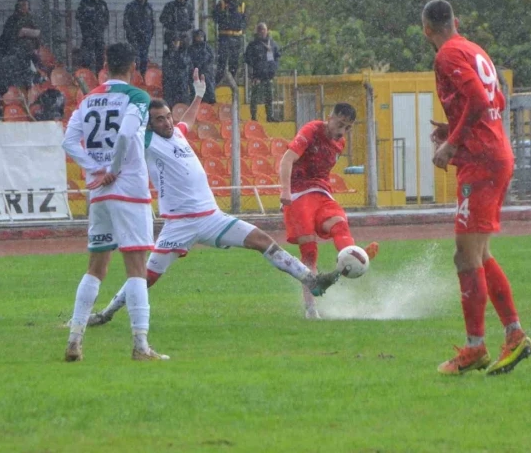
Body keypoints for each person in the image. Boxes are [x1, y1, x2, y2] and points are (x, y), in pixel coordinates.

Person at [86, 72, 341, 327]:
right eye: (159, 120)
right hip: (180, 223)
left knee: (262, 240)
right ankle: (106, 313)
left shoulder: (177, 133)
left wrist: (198, 95)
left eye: (167, 116)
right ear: (149, 125)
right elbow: (124, 134)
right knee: (146, 276)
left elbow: (187, 120)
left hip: (211, 217)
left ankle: (312, 281)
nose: (167, 122)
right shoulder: (147, 140)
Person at [422, 0, 531, 376]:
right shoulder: (473, 48)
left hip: (481, 161)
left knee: (465, 257)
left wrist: (452, 144)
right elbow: (495, 101)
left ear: (426, 29)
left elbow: (479, 98)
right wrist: (451, 130)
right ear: (456, 21)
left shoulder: (447, 54)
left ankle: (475, 349)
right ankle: (514, 335)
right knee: (480, 255)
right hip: (495, 153)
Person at [61, 42, 167, 362]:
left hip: (99, 194)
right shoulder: (137, 97)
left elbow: (68, 141)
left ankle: (75, 339)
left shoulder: (89, 98)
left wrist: (95, 169)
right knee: (136, 268)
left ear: (104, 67)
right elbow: (124, 135)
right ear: (134, 68)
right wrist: (114, 170)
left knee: (96, 269)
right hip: (128, 190)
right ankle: (140, 345)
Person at [279, 103, 379, 319]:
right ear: (329, 117)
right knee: (309, 252)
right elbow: (287, 159)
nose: (342, 131)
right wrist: (285, 191)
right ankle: (311, 308)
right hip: (298, 194)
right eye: (340, 124)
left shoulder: (339, 144)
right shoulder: (312, 130)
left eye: (348, 128)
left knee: (340, 224)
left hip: (322, 193)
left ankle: (353, 257)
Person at [245, 22, 280, 122]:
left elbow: (277, 56)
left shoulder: (272, 43)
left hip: (269, 75)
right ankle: (253, 117)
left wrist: (274, 67)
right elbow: (247, 59)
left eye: (263, 29)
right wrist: (253, 73)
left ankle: (270, 116)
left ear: (267, 30)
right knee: (254, 97)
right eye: (260, 30)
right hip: (257, 75)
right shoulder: (253, 45)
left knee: (269, 97)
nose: (262, 32)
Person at [213, 0, 247, 85]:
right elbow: (215, 17)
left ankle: (231, 79)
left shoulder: (242, 5)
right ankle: (218, 81)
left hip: (237, 37)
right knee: (222, 60)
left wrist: (241, 26)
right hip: (225, 36)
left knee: (234, 61)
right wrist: (224, 16)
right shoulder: (222, 4)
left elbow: (245, 19)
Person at [76, 0, 110, 73]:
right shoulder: (85, 2)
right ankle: (86, 75)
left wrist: (101, 27)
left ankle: (98, 76)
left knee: (100, 58)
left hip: (99, 35)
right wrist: (86, 28)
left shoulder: (102, 4)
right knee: (87, 58)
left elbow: (106, 18)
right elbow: (79, 16)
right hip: (88, 35)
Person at [123, 0, 154, 77]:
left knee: (144, 58)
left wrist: (150, 34)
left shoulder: (148, 7)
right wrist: (131, 34)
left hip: (145, 37)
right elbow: (126, 22)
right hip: (134, 37)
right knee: (135, 58)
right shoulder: (131, 7)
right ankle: (135, 76)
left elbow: (152, 22)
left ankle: (143, 76)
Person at [162, 32, 193, 107]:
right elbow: (167, 70)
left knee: (184, 106)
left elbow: (187, 68)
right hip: (171, 86)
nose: (176, 43)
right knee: (170, 106)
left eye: (177, 41)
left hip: (182, 85)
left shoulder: (185, 54)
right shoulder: (167, 54)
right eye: (174, 41)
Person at [188, 29, 216, 104]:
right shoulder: (191, 49)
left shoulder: (207, 48)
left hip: (206, 73)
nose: (200, 38)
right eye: (198, 37)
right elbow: (189, 61)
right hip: (195, 73)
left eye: (201, 37)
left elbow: (211, 59)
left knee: (208, 88)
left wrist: (205, 67)